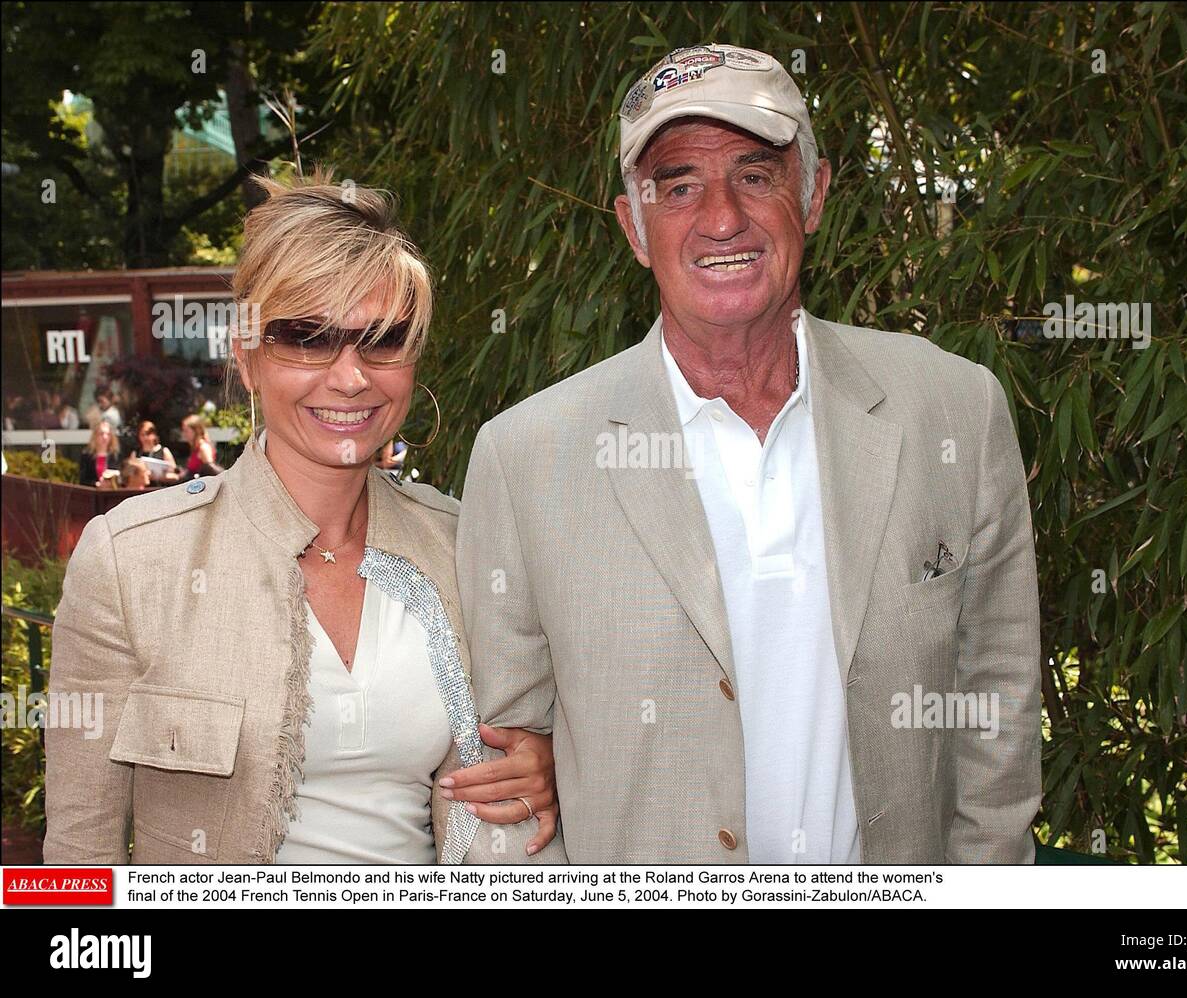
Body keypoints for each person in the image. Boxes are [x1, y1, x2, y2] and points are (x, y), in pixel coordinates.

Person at [458, 44, 1041, 863]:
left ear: (813, 195)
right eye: (679, 185)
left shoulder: (955, 409)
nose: (722, 216)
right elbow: (505, 780)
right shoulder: (526, 458)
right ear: (632, 227)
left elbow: (997, 709)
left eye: (757, 174)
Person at [45, 170, 561, 865]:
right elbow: (81, 856)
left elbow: (524, 771)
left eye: (382, 339)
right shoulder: (132, 561)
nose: (350, 376)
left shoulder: (466, 545)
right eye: (308, 337)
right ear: (248, 358)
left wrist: (548, 764)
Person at [172, 413, 219, 480]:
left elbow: (211, 471)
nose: (184, 434)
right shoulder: (195, 448)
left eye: (186, 431)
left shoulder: (203, 448)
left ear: (196, 431)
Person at [77, 419, 120, 486]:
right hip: (93, 493)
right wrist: (96, 484)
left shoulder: (115, 455)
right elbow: (82, 479)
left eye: (108, 434)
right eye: (101, 434)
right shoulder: (87, 455)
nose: (105, 437)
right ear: (95, 436)